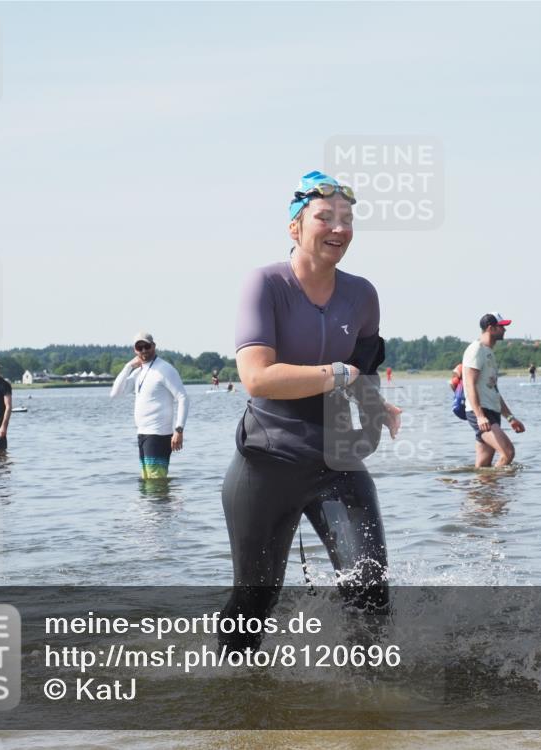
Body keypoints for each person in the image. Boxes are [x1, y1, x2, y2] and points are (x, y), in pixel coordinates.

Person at [221, 170, 402, 652]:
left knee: (370, 593)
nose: (339, 228)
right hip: (267, 462)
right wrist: (338, 375)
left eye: (347, 219)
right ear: (295, 228)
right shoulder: (264, 284)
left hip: (336, 462)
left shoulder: (362, 294)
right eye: (325, 217)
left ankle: (366, 710)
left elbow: (362, 370)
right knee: (254, 603)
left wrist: (374, 410)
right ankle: (234, 697)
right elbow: (257, 377)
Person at [110, 332, 189, 479]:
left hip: (159, 434)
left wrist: (179, 430)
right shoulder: (137, 372)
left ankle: (164, 501)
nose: (144, 350)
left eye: (146, 346)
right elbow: (115, 393)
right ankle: (158, 502)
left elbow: (183, 397)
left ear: (154, 346)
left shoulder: (165, 369)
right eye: (139, 347)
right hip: (142, 433)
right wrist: (128, 366)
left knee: (156, 481)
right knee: (147, 479)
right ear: (135, 350)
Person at [463, 313, 525, 468]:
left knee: (483, 466)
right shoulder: (476, 350)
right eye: (501, 326)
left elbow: (494, 391)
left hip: (492, 411)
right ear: (491, 328)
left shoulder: (489, 352)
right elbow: (469, 384)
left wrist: (510, 418)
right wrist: (480, 416)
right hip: (481, 413)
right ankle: (497, 490)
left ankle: (485, 492)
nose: (504, 330)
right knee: (508, 452)